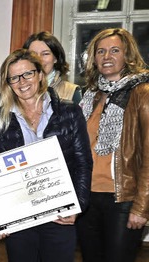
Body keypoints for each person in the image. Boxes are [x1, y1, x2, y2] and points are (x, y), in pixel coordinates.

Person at [0, 49, 92, 262]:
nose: (22, 81)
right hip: (21, 218)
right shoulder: (1, 122)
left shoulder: (70, 113)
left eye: (27, 74)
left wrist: (78, 206)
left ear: (40, 75)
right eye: (14, 77)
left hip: (59, 214)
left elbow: (83, 163)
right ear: (8, 83)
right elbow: (0, 175)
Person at [76, 28, 149, 262]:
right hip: (88, 197)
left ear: (127, 55)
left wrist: (141, 207)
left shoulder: (142, 93)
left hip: (122, 199)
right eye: (101, 51)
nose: (107, 56)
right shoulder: (90, 95)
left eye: (114, 50)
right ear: (94, 58)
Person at [23, 31, 82, 104]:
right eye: (33, 54)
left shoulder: (72, 92)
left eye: (45, 54)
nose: (38, 59)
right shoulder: (16, 89)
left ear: (55, 58)